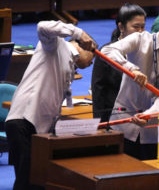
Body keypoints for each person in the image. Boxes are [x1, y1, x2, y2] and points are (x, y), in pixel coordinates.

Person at [5, 20, 96, 190]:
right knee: (27, 181)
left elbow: (62, 94)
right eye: (93, 55)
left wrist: (69, 109)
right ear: (82, 46)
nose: (92, 62)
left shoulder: (69, 65)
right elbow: (42, 26)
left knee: (37, 180)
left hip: (37, 125)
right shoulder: (55, 45)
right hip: (23, 120)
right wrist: (78, 32)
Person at [101, 9, 159, 160]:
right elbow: (107, 50)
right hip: (123, 125)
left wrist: (148, 115)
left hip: (152, 131)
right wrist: (131, 68)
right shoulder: (139, 39)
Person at [91, 3, 146, 122]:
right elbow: (98, 90)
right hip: (114, 117)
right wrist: (100, 124)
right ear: (121, 27)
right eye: (136, 27)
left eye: (143, 27)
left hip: (139, 117)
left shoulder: (146, 50)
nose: (141, 32)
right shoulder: (106, 52)